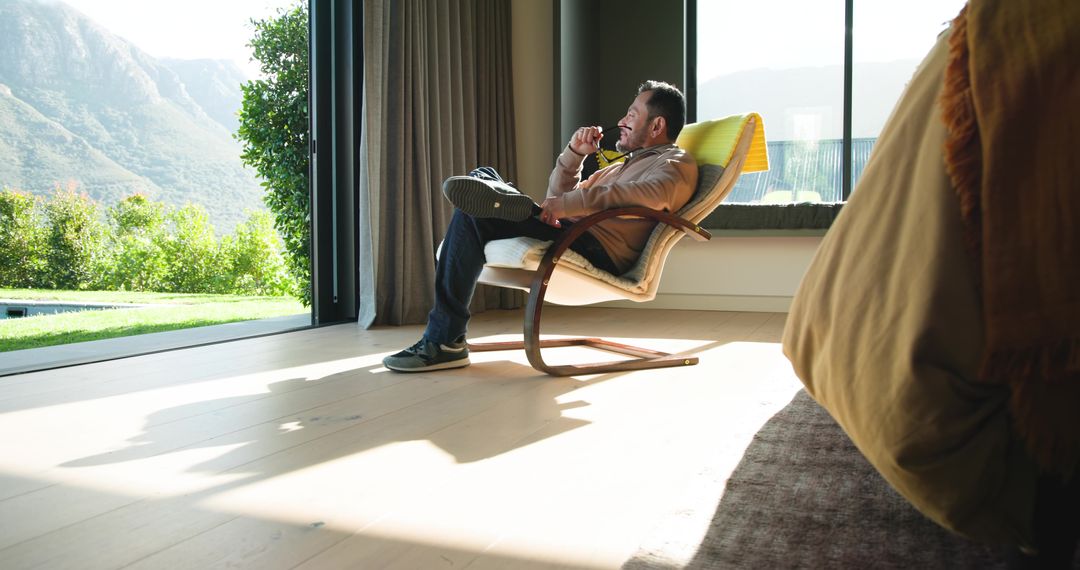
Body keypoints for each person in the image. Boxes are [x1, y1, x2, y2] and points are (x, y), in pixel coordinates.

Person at [383, 80, 698, 372]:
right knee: (482, 182)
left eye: (632, 114)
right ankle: (498, 195)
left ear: (656, 125)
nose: (623, 120)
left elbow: (647, 197)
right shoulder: (619, 167)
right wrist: (574, 155)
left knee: (476, 208)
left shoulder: (675, 162)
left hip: (595, 244)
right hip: (570, 231)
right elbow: (557, 198)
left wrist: (566, 205)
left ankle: (444, 340)